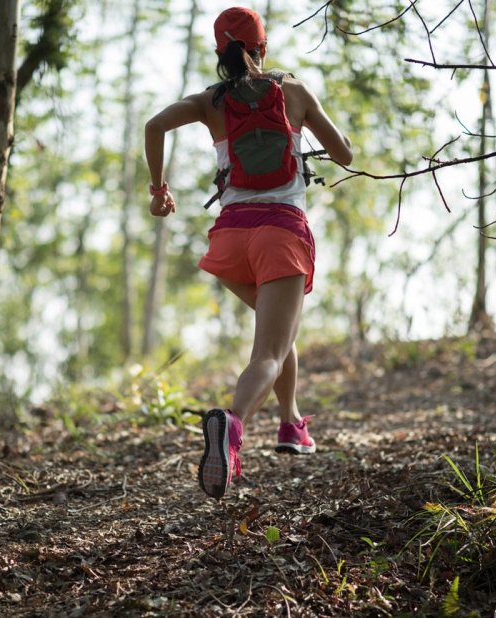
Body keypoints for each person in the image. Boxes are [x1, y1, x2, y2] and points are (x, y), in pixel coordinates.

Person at [143, 6, 353, 499]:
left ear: (220, 51)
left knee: (278, 333)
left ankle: (291, 424)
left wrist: (159, 190)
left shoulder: (209, 101)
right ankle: (232, 424)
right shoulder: (294, 91)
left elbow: (153, 125)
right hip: (280, 235)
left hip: (231, 240)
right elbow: (344, 154)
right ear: (263, 46)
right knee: (269, 353)